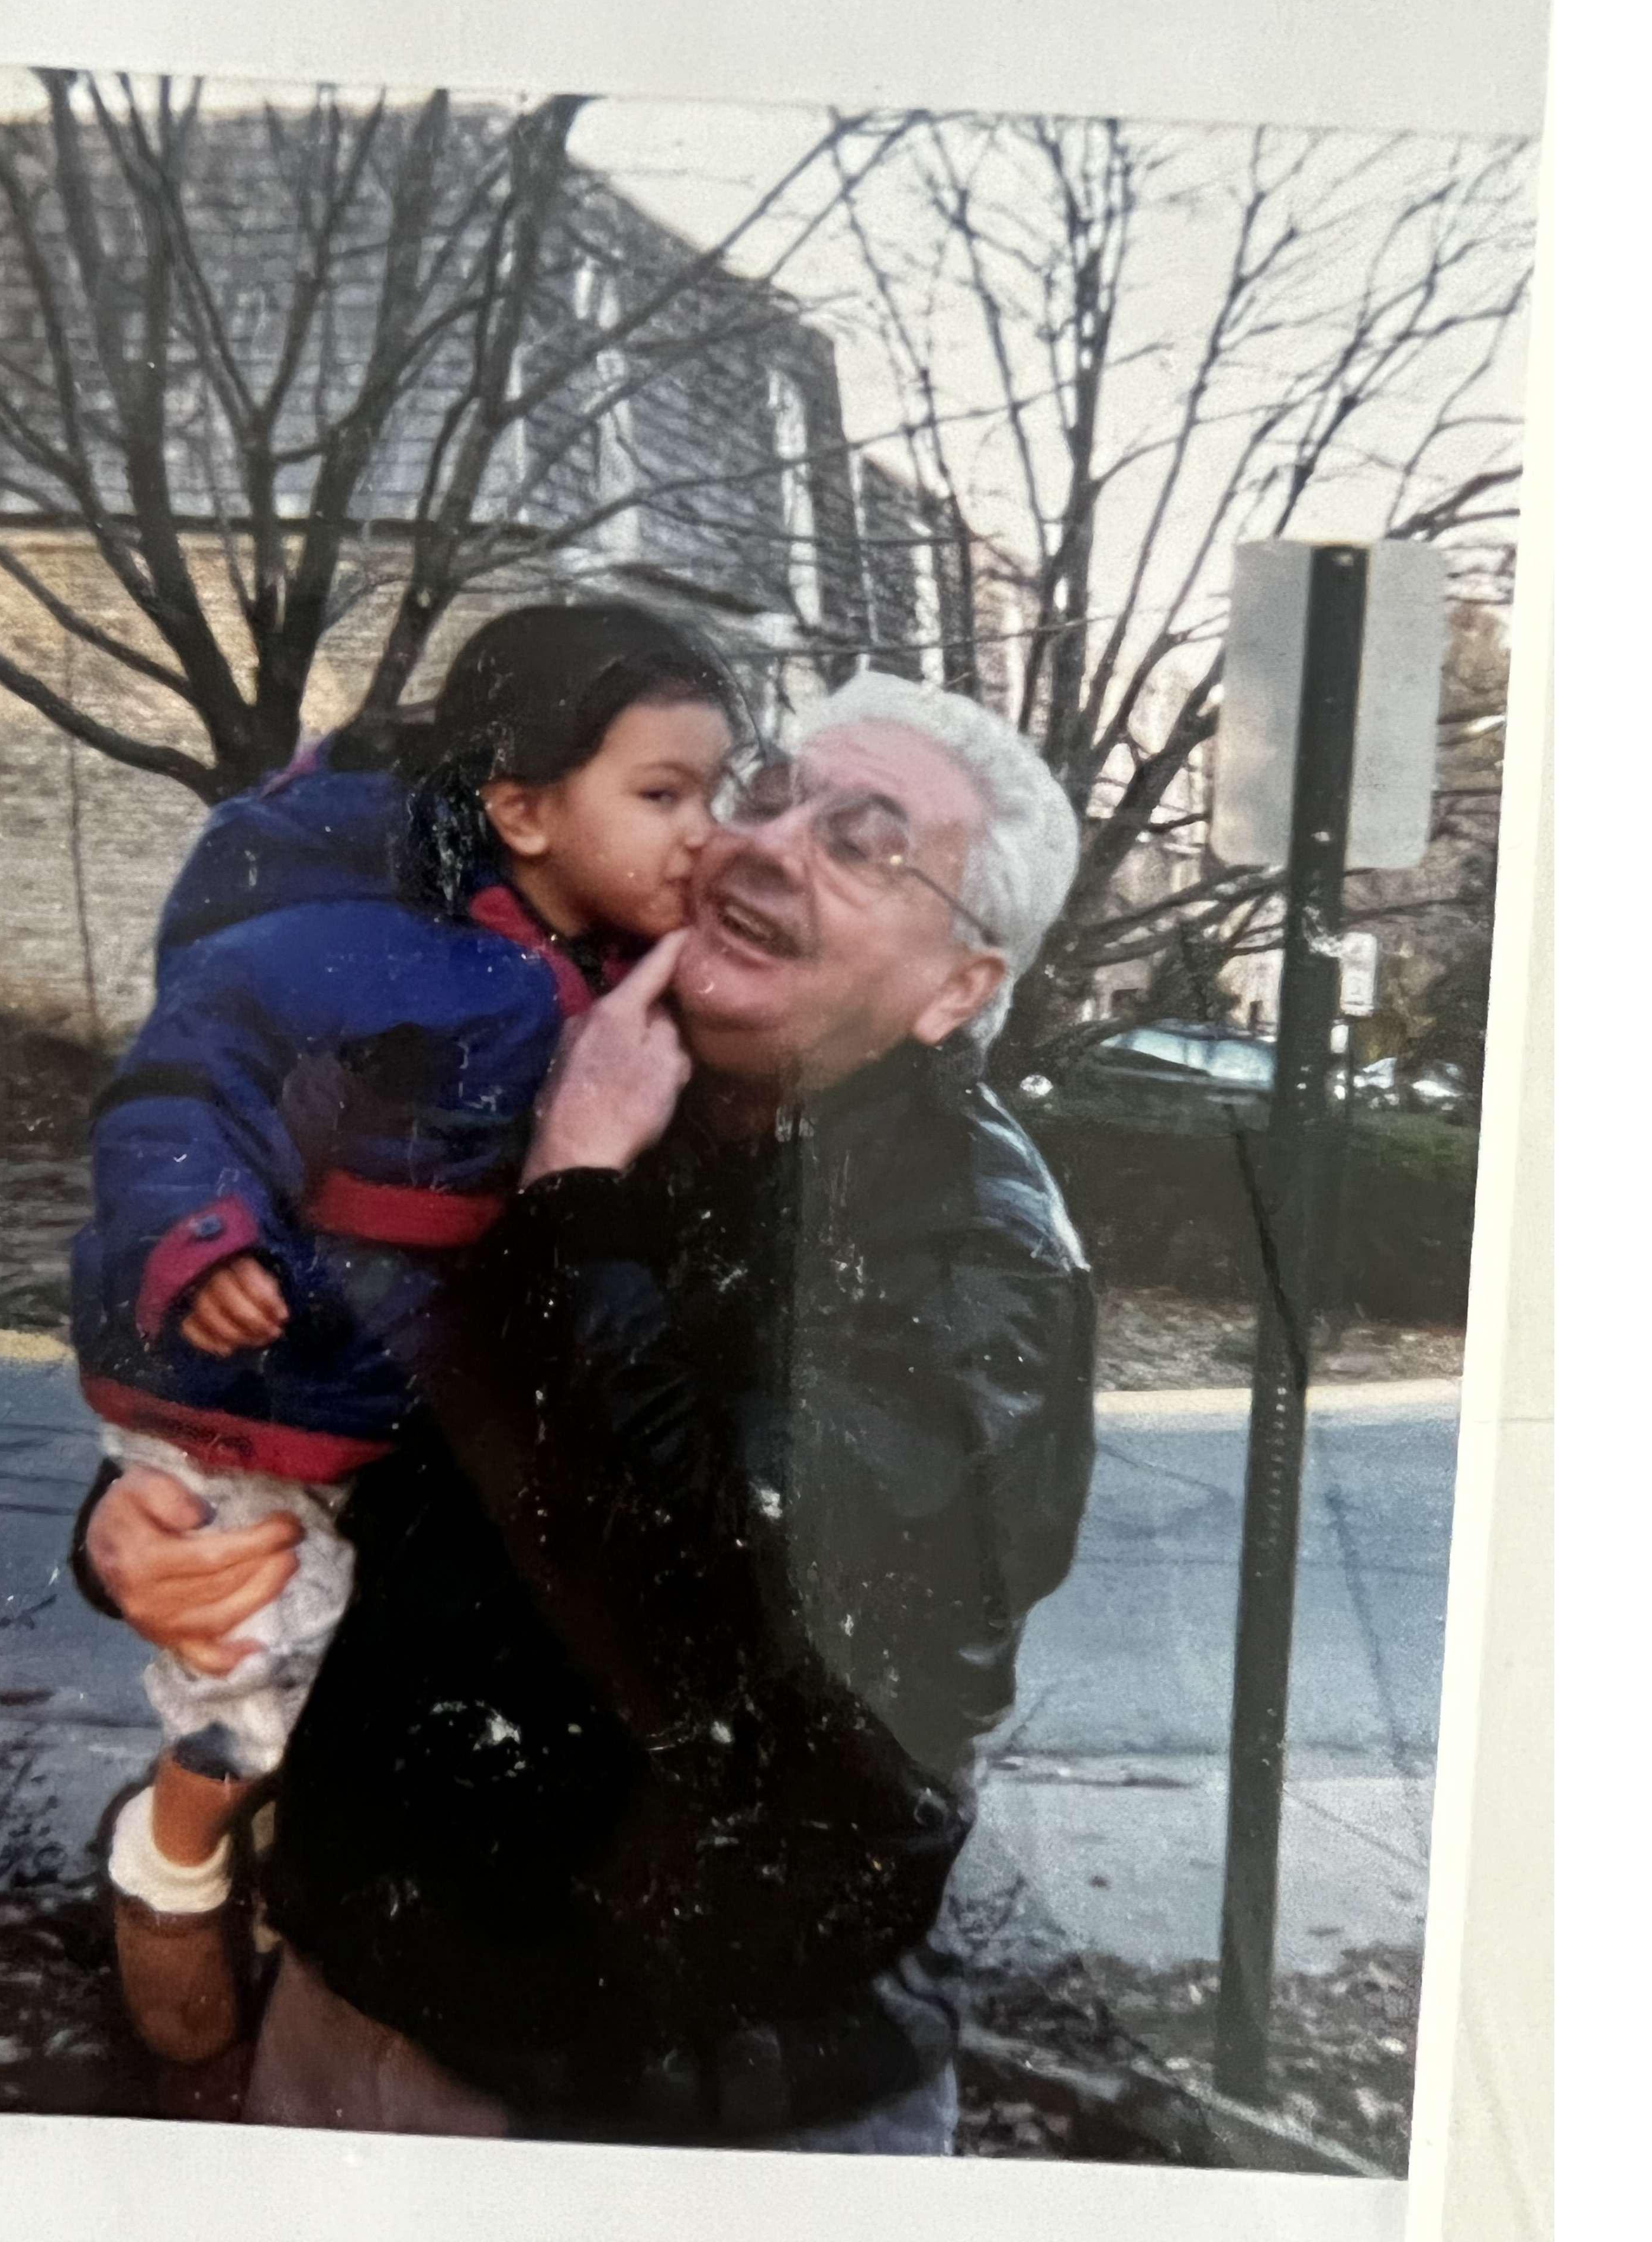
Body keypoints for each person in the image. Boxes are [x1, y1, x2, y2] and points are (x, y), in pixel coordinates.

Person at [78, 666, 1100, 2150]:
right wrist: (143, 1523)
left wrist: (573, 1204)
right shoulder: (572, 1068)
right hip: (360, 2008)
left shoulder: (973, 1252)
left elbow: (721, 1614)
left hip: (690, 2107)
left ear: (960, 986)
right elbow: (332, 1367)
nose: (765, 843)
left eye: (866, 841)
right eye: (766, 790)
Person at [72, 601, 741, 2062]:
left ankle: (232, 1863)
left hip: (378, 1422)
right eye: (663, 794)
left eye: (720, 794)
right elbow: (186, 1083)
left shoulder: (625, 985)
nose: (709, 837)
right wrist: (204, 1242)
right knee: (270, 1668)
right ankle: (176, 1857)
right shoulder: (371, 950)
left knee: (331, 1674)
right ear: (522, 808)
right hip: (278, 1388)